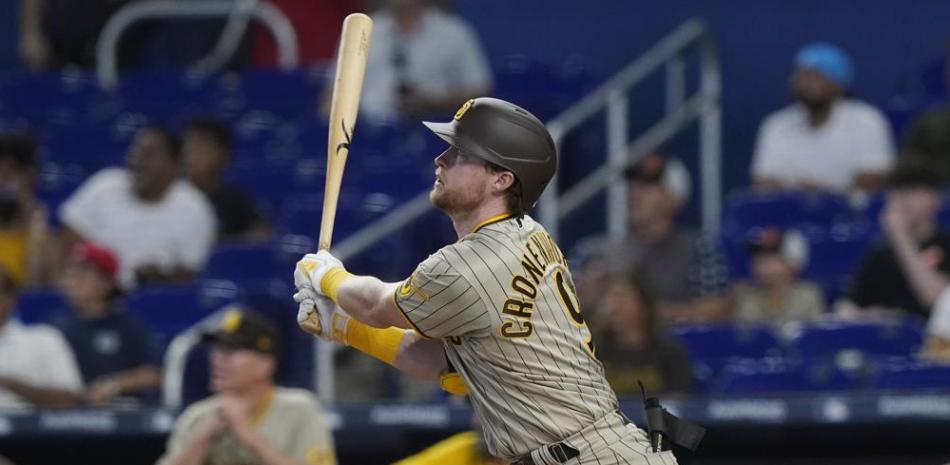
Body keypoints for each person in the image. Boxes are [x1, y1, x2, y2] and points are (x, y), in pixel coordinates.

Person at [294, 98, 682, 464]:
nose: (440, 159)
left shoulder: (470, 265)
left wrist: (327, 275)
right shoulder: (528, 233)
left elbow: (379, 307)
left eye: (460, 154)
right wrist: (343, 325)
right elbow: (447, 365)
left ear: (502, 179)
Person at [156, 308, 336, 465]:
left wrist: (246, 433)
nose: (217, 359)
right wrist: (203, 438)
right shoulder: (197, 416)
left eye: (230, 351)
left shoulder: (300, 409)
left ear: (266, 363)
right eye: (216, 350)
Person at [59, 125, 216, 288]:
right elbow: (69, 239)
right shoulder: (104, 186)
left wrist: (161, 276)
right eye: (136, 151)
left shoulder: (194, 207)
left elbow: (190, 272)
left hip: (155, 299)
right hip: (94, 297)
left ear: (173, 164)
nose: (137, 159)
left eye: (149, 154)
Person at [588, 153, 730, 323]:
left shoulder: (700, 249)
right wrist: (588, 296)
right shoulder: (597, 252)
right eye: (632, 186)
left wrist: (641, 312)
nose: (635, 194)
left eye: (648, 186)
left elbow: (715, 311)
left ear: (674, 198)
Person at [751, 42, 895, 194]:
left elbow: (873, 180)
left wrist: (824, 196)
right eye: (802, 76)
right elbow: (763, 182)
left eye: (816, 77)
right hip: (788, 212)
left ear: (839, 84)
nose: (806, 84)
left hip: (851, 214)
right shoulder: (776, 124)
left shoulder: (867, 120)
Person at [336, 0, 492, 122]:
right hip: (364, 137)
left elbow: (481, 93)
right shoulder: (360, 30)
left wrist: (432, 102)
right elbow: (333, 93)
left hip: (432, 138)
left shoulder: (454, 33)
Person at [838, 158, 950, 319]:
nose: (902, 198)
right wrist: (864, 315)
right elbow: (849, 304)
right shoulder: (881, 251)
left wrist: (901, 237)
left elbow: (939, 303)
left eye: (912, 190)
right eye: (898, 191)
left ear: (935, 199)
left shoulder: (946, 244)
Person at [52, 242, 161, 406]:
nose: (72, 282)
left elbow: (154, 374)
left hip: (117, 410)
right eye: (71, 275)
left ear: (107, 283)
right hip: (62, 410)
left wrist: (114, 385)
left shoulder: (127, 326)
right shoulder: (56, 326)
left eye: (82, 276)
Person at [0, 267, 84, 410]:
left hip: (28, 428)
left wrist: (6, 383)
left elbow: (70, 400)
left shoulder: (44, 339)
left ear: (10, 300)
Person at [596, 272, 693, 396]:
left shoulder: (671, 354)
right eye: (609, 299)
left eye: (621, 298)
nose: (613, 307)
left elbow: (680, 402)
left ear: (643, 305)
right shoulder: (594, 354)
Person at [182, 118, 269, 241]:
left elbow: (262, 234)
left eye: (200, 146)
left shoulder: (234, 199)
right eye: (187, 147)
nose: (191, 154)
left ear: (223, 155)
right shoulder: (169, 196)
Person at [732, 228, 826, 334]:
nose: (761, 263)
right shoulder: (746, 299)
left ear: (793, 263)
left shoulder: (807, 296)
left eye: (771, 257)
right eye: (758, 257)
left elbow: (815, 337)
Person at [0, 134, 53, 287]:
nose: (3, 181)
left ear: (29, 176)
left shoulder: (43, 231)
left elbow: (37, 299)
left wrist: (35, 242)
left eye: (10, 173)